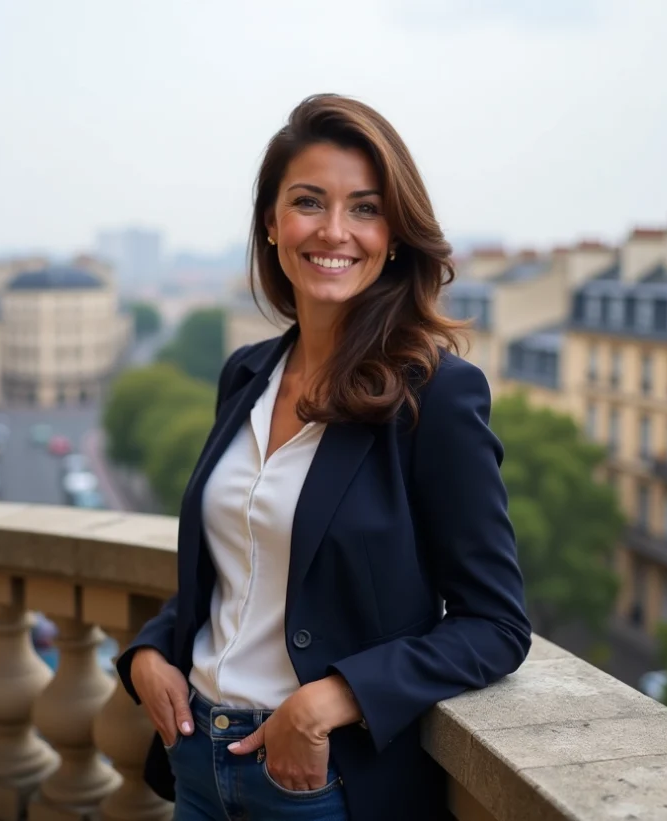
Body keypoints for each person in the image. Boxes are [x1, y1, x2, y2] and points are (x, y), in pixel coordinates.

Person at [116, 93, 531, 821]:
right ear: (272, 225)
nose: (334, 230)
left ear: (395, 234)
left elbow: (494, 624)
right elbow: (241, 567)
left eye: (365, 208)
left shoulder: (434, 396)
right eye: (309, 202)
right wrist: (151, 651)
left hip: (318, 782)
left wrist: (331, 698)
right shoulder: (244, 375)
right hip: (195, 760)